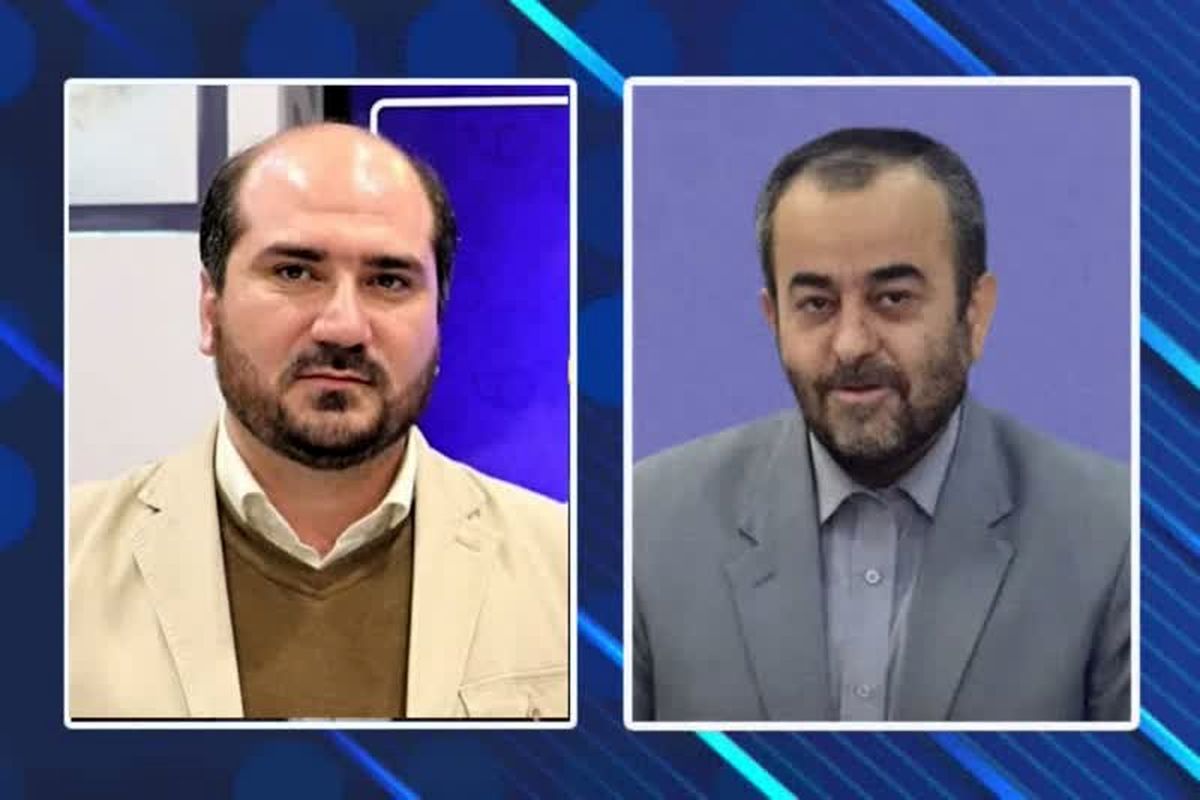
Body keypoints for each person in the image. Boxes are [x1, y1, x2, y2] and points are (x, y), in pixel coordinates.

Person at [70, 123, 568, 720]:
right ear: (210, 311)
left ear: (438, 320)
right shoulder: (52, 570)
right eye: (295, 272)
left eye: (388, 281)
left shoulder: (571, 576)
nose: (343, 327)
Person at [632, 127, 1130, 723]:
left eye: (892, 298)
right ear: (774, 320)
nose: (851, 343)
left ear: (975, 314)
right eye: (816, 304)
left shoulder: (1117, 537)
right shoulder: (645, 525)